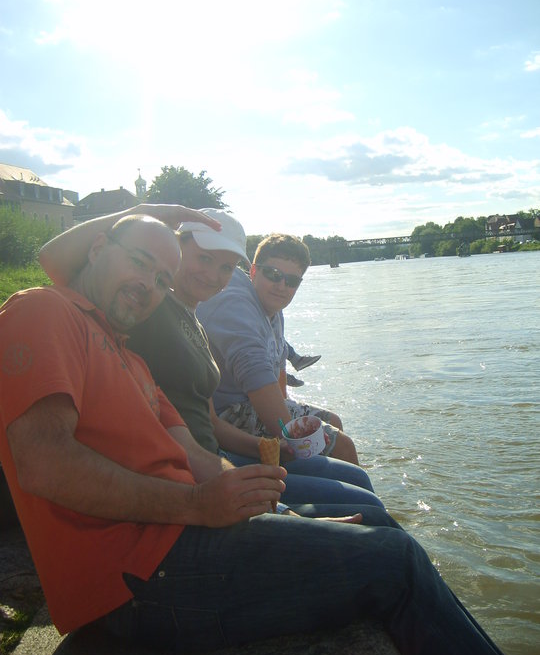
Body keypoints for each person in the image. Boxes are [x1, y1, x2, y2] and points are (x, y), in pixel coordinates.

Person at [0, 214, 513, 655]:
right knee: (396, 562)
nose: (148, 285)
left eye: (160, 278)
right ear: (96, 249)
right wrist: (196, 505)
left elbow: (196, 453)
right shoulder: (43, 311)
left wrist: (283, 516)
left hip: (179, 541)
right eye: (138, 262)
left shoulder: (128, 357)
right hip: (138, 579)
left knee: (373, 526)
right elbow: (43, 463)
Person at [39, 206, 383, 510]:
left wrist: (272, 447)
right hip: (188, 473)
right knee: (364, 506)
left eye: (226, 268)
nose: (213, 276)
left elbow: (211, 423)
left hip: (211, 457)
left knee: (358, 487)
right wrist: (145, 211)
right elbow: (56, 261)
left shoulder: (197, 322)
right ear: (177, 251)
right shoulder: (151, 306)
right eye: (204, 259)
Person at [197, 233, 358, 464]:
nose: (281, 286)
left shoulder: (273, 308)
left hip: (252, 403)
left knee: (334, 422)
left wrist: (288, 407)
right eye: (273, 274)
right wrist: (292, 435)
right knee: (342, 446)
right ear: (254, 271)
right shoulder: (236, 305)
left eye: (292, 281)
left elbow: (278, 373)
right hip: (230, 411)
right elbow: (255, 374)